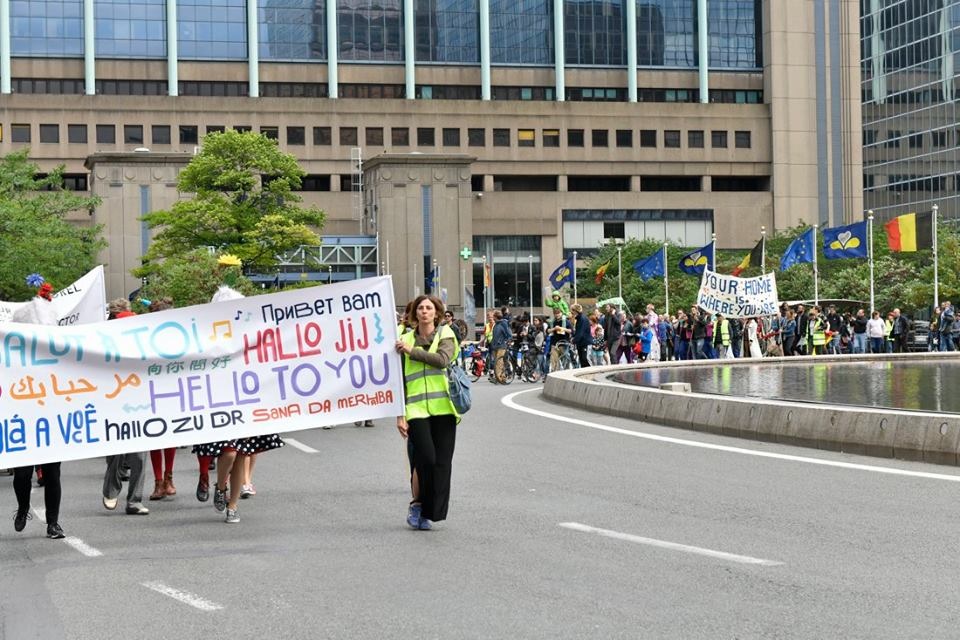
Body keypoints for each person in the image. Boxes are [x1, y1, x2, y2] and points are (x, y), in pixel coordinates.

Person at [395, 294, 460, 531]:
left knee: (442, 464)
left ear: (437, 313)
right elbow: (397, 379)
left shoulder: (446, 335)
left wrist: (411, 351)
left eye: (429, 308)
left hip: (443, 407)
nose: (424, 311)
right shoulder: (402, 339)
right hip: (415, 408)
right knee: (425, 458)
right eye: (420, 308)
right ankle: (417, 504)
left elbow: (442, 360)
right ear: (415, 313)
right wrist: (399, 414)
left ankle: (430, 511)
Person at [10, 278, 66, 539]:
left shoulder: (59, 357)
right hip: (23, 420)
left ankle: (53, 523)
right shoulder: (12, 358)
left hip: (51, 420)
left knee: (53, 472)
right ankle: (23, 507)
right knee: (22, 474)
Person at [102, 298, 150, 516]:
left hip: (139, 400)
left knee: (139, 454)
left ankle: (134, 500)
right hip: (112, 402)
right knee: (115, 453)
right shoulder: (100, 339)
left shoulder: (140, 336)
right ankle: (111, 491)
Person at [147, 297, 179, 500]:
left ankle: (168, 478)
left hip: (173, 390)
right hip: (151, 391)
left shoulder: (178, 336)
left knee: (171, 436)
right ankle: (158, 482)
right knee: (153, 435)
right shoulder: (145, 337)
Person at [490, 309, 512, 383]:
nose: (492, 318)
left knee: (498, 362)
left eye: (493, 316)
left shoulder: (503, 323)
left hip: (502, 345)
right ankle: (502, 378)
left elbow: (509, 334)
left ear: (496, 317)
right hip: (495, 346)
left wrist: (507, 341)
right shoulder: (496, 324)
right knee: (498, 362)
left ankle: (498, 378)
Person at [571, 303, 592, 368]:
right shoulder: (579, 319)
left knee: (585, 359)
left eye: (572, 311)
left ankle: (591, 373)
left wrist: (574, 340)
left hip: (585, 342)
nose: (571, 312)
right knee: (582, 360)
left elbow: (580, 332)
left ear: (575, 311)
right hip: (581, 343)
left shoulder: (582, 319)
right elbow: (578, 331)